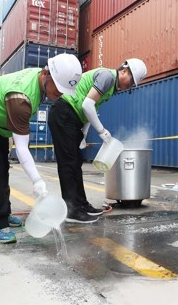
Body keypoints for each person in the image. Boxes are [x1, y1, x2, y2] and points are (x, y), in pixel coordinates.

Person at [0, 54, 82, 243]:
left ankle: (5, 211)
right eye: (59, 88)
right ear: (46, 74)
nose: (60, 93)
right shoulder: (20, 98)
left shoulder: (40, 80)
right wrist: (37, 181)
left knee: (2, 168)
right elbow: (22, 149)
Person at [48, 59, 147, 223]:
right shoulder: (107, 76)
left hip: (73, 119)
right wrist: (101, 131)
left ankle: (81, 204)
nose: (129, 86)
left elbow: (90, 110)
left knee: (76, 163)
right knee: (68, 164)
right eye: (131, 81)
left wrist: (84, 135)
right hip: (64, 113)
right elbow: (87, 105)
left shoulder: (111, 87)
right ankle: (71, 211)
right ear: (124, 71)